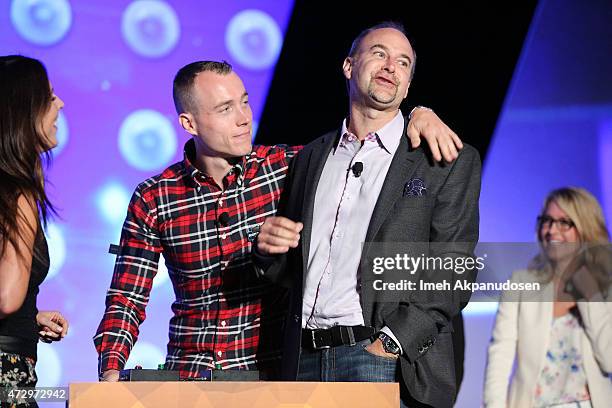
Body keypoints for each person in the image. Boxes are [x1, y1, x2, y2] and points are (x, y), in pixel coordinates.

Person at [93, 59, 465, 382]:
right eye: (225, 110)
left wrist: (418, 113)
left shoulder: (289, 167)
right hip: (191, 372)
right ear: (189, 123)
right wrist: (110, 369)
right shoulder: (155, 196)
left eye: (244, 102)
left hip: (271, 373)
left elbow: (364, 141)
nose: (243, 119)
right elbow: (127, 296)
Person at [255, 22, 481, 407]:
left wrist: (390, 345)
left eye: (403, 62)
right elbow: (292, 270)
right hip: (303, 361)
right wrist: (268, 251)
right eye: (379, 53)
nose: (391, 66)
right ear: (348, 66)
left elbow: (453, 268)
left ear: (408, 86)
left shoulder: (440, 159)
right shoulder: (311, 157)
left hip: (380, 358)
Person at [484, 187, 612, 408]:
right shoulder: (521, 283)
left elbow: (609, 360)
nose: (552, 230)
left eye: (564, 222)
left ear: (585, 229)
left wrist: (591, 296)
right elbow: (500, 356)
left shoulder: (604, 286)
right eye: (547, 220)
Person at [0, 55, 69, 406]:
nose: (59, 104)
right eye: (50, 96)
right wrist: (18, 306)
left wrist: (30, 316)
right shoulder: (17, 190)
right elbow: (6, 296)